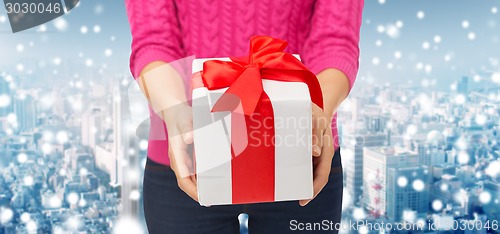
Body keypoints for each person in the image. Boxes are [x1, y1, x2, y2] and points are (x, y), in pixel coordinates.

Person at [125, 0, 363, 233]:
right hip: (187, 156)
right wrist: (174, 111)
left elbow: (336, 41)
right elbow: (154, 40)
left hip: (302, 150)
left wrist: (319, 112)